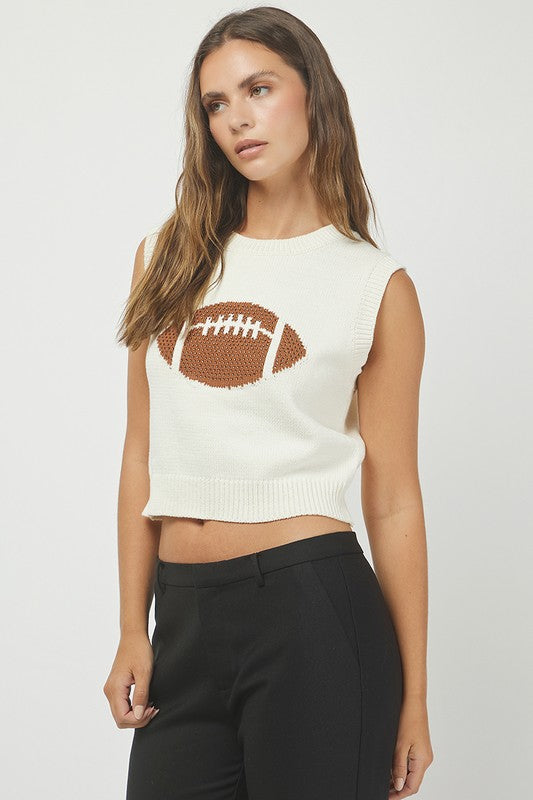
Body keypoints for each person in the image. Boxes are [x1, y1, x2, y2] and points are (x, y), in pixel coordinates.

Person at [103, 6, 433, 799]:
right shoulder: (169, 258)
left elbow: (393, 498)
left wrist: (415, 696)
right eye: (215, 103)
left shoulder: (373, 285)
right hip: (181, 619)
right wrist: (131, 627)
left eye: (258, 89)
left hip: (311, 612)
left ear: (313, 92)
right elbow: (141, 454)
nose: (236, 119)